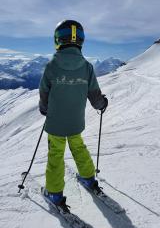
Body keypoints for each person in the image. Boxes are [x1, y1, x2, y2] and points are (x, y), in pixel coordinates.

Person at [39, 20, 108, 212]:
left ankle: (54, 193)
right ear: (81, 40)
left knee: (56, 155)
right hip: (76, 122)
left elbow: (44, 93)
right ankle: (88, 179)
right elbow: (95, 95)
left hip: (55, 124)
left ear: (58, 39)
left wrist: (44, 109)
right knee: (79, 147)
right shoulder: (87, 67)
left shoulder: (51, 66)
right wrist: (101, 104)